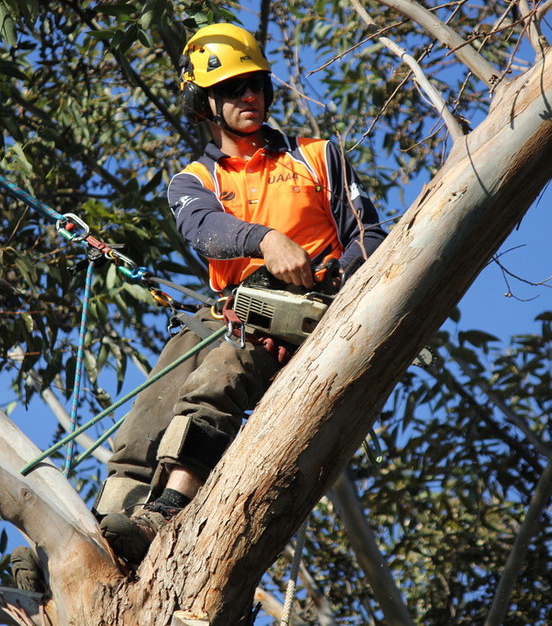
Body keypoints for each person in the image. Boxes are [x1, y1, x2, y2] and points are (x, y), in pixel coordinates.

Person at [94, 23, 388, 566]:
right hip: (227, 309)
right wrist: (265, 240)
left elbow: (369, 235)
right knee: (144, 421)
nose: (249, 96)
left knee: (216, 381)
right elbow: (202, 228)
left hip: (303, 311)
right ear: (204, 103)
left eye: (255, 85)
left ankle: (166, 511)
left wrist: (328, 287)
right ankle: (102, 538)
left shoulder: (316, 156)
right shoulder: (193, 180)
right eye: (233, 89)